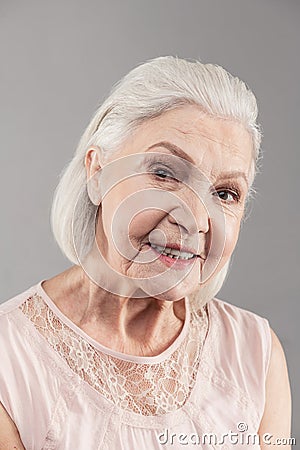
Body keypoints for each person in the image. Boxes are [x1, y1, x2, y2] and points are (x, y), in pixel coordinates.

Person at [0, 56, 291, 449]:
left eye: (225, 193)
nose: (196, 219)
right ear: (97, 172)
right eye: (165, 173)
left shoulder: (257, 354)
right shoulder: (9, 359)